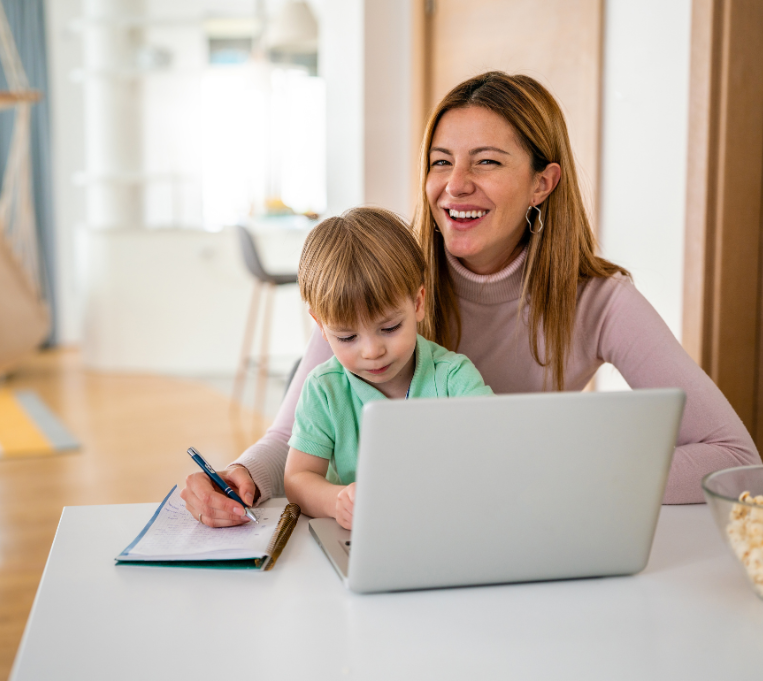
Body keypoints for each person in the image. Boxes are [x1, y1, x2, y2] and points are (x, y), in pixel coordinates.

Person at [181, 71, 760, 527]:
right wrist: (240, 477)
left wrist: (566, 476)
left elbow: (735, 459)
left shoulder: (602, 302)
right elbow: (291, 439)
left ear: (543, 182)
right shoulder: (384, 284)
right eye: (441, 162)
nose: (454, 185)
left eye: (486, 161)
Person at [283, 208, 492, 529]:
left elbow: (495, 452)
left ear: (418, 303)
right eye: (348, 336)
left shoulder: (453, 377)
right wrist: (337, 501)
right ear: (321, 328)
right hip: (364, 536)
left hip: (448, 528)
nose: (372, 351)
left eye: (390, 327)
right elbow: (298, 479)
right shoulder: (324, 389)